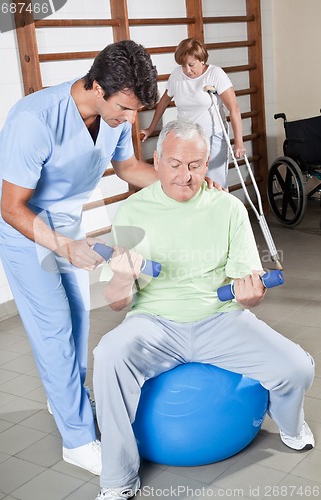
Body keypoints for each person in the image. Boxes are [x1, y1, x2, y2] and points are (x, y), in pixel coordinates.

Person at [93, 120, 315, 500]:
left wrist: (250, 296)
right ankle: (118, 478)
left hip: (220, 317)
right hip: (154, 324)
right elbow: (117, 303)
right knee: (107, 354)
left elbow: (248, 285)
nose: (185, 175)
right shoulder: (131, 211)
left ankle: (291, 424)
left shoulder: (227, 208)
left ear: (208, 164)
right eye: (176, 164)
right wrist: (120, 278)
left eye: (195, 165)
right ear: (158, 160)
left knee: (297, 367)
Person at [0, 40, 160, 475]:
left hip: (63, 216)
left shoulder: (115, 115)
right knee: (53, 322)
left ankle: (63, 394)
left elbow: (128, 169)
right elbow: (12, 207)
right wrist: (64, 246)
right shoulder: (34, 119)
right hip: (19, 221)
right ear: (97, 86)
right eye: (124, 108)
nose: (128, 119)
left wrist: (184, 184)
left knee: (80, 314)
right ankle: (77, 439)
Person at [141, 37, 245, 188]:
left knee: (214, 184)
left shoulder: (215, 74)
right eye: (183, 66)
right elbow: (163, 102)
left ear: (201, 59)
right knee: (190, 183)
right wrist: (151, 128)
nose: (187, 70)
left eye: (191, 65)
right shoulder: (177, 75)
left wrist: (239, 142)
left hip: (212, 136)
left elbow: (234, 108)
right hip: (186, 138)